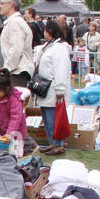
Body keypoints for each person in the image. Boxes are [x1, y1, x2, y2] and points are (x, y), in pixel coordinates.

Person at [33, 19, 73, 156]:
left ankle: (58, 144)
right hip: (46, 88)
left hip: (54, 90)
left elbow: (61, 70)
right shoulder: (50, 46)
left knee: (53, 119)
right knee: (48, 118)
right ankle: (52, 142)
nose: (44, 32)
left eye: (46, 30)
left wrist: (60, 89)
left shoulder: (60, 48)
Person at [0, 0, 34, 88]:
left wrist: (6, 69)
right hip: (15, 71)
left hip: (16, 72)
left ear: (11, 5)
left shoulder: (15, 23)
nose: (0, 6)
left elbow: (16, 50)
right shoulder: (14, 22)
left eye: (2, 3)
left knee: (14, 101)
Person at [0, 74, 28, 145]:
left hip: (17, 132)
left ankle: (29, 144)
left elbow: (16, 117)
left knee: (15, 152)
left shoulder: (14, 99)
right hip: (3, 131)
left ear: (7, 89)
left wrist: (10, 133)